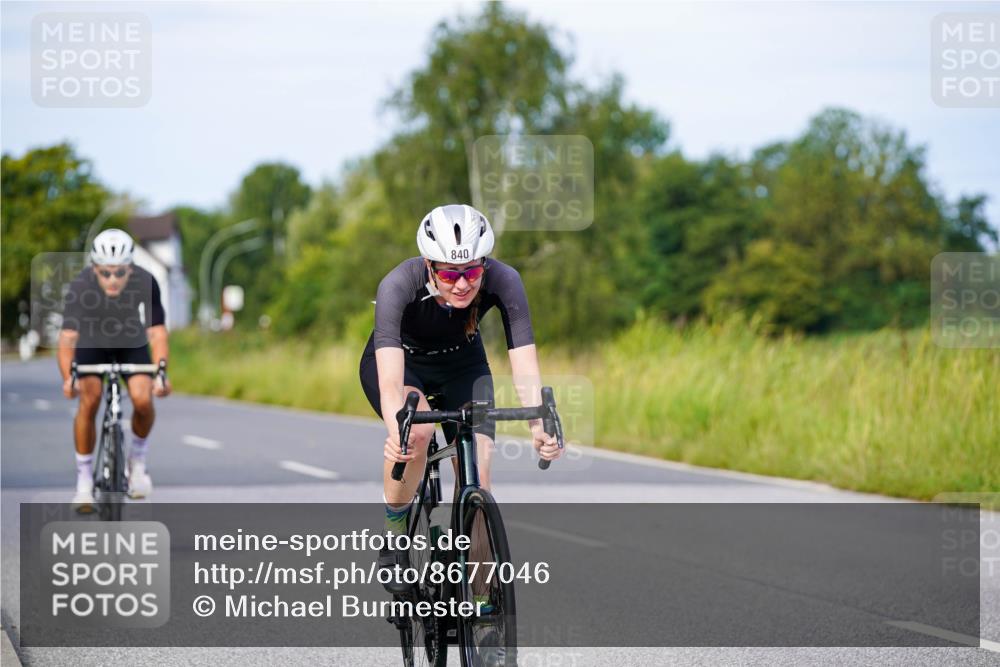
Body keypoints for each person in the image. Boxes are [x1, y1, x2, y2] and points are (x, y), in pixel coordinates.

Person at [358, 204, 562, 592]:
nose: (463, 284)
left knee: (478, 479)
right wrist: (395, 430)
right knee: (415, 436)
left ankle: (485, 608)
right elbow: (389, 382)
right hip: (404, 364)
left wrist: (538, 425)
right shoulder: (398, 284)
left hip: (463, 366)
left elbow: (524, 364)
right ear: (429, 265)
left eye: (471, 271)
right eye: (450, 273)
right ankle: (395, 531)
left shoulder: (505, 279)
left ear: (484, 263)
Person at [57, 228, 171, 511]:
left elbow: (156, 332)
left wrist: (161, 372)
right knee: (90, 398)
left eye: (120, 273)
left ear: (130, 268)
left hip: (131, 341)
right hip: (92, 342)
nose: (112, 280)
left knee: (144, 399)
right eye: (105, 272)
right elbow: (67, 339)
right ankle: (84, 483)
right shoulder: (80, 286)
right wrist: (68, 378)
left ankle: (137, 462)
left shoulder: (146, 281)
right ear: (94, 268)